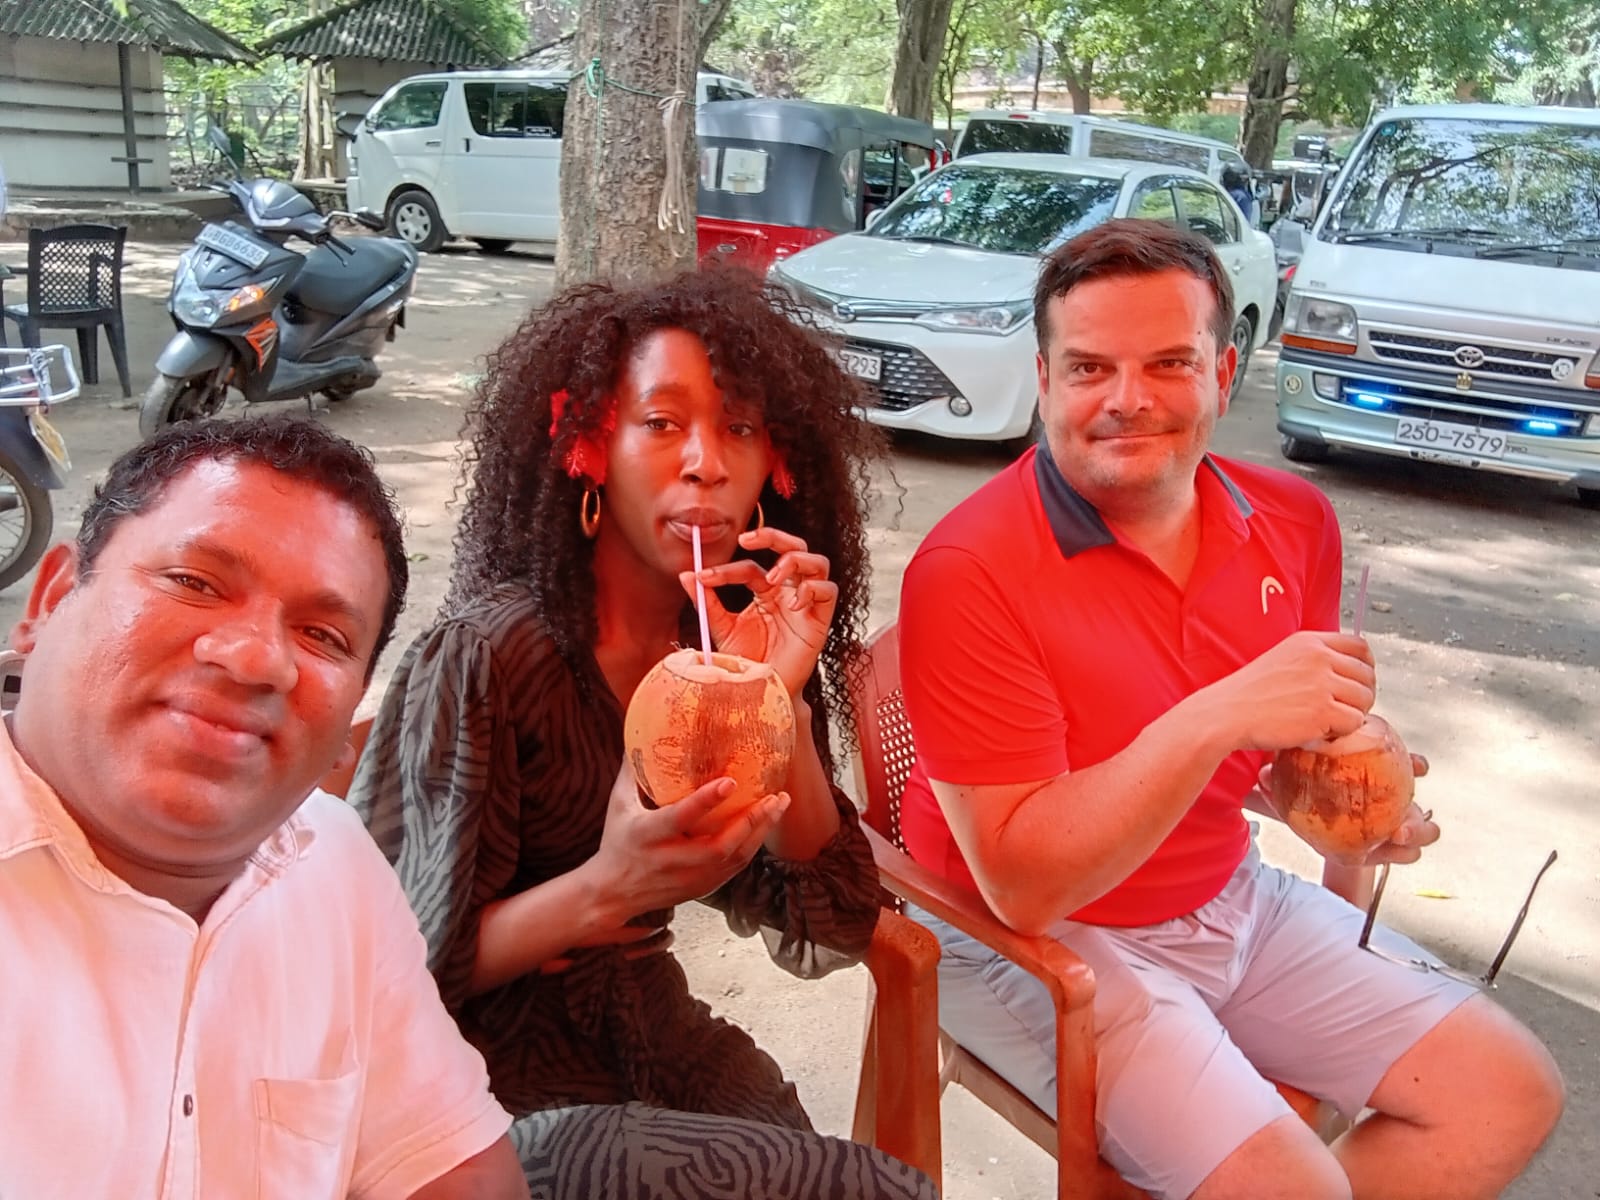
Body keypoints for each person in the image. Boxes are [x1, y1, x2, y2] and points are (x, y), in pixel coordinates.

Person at [896, 219, 1564, 1200]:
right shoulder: (968, 570)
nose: (1127, 399)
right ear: (1043, 382)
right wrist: (1220, 714)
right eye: (1088, 368)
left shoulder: (1295, 521)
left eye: (1169, 362)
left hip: (1224, 893)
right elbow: (1025, 885)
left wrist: (1342, 824)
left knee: (1508, 1093)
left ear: (1223, 373)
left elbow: (1290, 755)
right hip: (1026, 937)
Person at [349, 266, 935, 1199]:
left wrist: (777, 699)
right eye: (661, 424)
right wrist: (607, 889)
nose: (705, 462)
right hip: (477, 1083)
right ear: (590, 449)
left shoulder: (729, 652)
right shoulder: (490, 658)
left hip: (649, 1033)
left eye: (739, 428)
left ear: (775, 463)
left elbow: (834, 920)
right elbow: (382, 974)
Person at [0, 416, 528, 1198]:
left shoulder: (332, 858)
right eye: (194, 582)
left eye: (322, 635)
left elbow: (451, 1166)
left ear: (349, 724)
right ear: (49, 599)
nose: (254, 659)